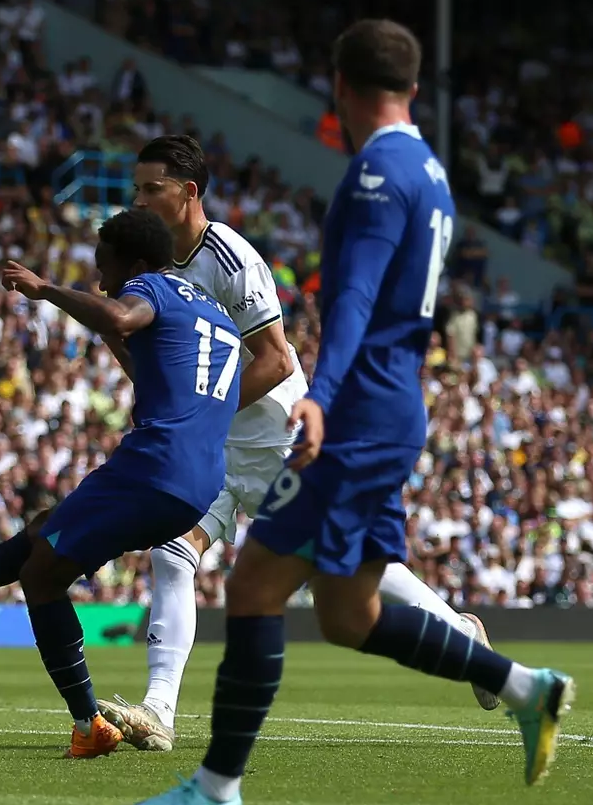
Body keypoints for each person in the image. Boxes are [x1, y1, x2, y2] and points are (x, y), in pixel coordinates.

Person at [118, 20, 574, 805]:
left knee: (260, 583)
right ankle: (521, 684)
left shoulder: (374, 173)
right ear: (414, 88)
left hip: (350, 409)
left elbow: (352, 298)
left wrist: (322, 394)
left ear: (338, 89)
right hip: (387, 403)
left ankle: (215, 787)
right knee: (345, 607)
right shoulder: (429, 169)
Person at [96, 135, 498, 754]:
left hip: (276, 443)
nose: (142, 200)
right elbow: (162, 373)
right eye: (138, 190)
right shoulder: (150, 272)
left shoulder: (231, 260)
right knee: (172, 554)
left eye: (154, 189)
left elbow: (278, 360)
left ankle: (461, 635)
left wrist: (203, 409)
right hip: (211, 453)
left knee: (348, 575)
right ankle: (159, 710)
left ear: (189, 193)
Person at [0, 207, 240, 758]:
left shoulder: (151, 289)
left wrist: (47, 291)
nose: (101, 280)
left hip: (154, 465)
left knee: (41, 579)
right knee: (46, 532)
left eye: (104, 266)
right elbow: (155, 369)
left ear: (134, 262)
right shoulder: (214, 314)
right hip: (199, 483)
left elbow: (123, 317)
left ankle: (89, 726)